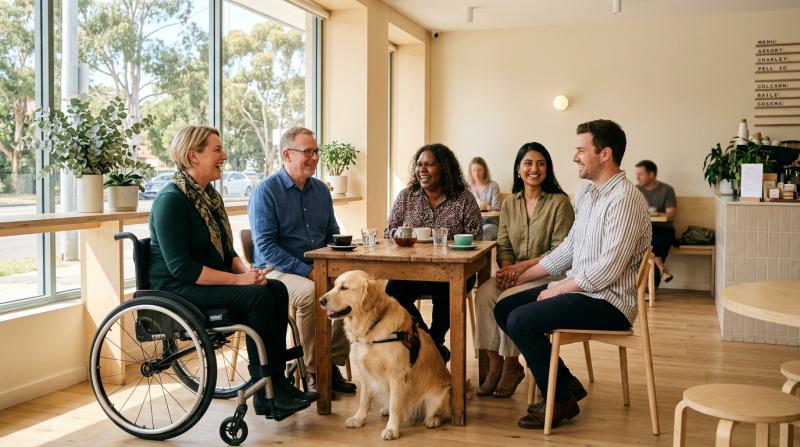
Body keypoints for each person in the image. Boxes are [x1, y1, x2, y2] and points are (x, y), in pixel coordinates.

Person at [494, 119, 651, 430]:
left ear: (604, 154)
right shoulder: (588, 193)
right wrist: (522, 276)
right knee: (505, 308)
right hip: (584, 293)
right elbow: (567, 250)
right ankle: (566, 384)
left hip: (610, 303)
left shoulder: (625, 199)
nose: (574, 156)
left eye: (581, 149)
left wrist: (560, 289)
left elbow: (609, 267)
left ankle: (561, 400)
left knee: (521, 321)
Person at [148, 125, 314, 420]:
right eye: (217, 150)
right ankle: (265, 392)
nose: (224, 156)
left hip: (204, 281)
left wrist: (251, 272)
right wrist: (240, 280)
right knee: (257, 298)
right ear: (193, 156)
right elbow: (182, 268)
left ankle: (277, 383)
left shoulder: (209, 198)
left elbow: (227, 252)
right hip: (178, 288)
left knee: (275, 288)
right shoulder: (171, 201)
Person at [249, 127, 355, 395]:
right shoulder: (266, 191)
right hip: (275, 270)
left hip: (315, 267)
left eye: (316, 152)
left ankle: (330, 363)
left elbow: (332, 234)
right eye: (308, 152)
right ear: (287, 154)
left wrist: (344, 259)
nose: (315, 157)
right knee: (311, 293)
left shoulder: (321, 191)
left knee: (351, 289)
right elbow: (266, 247)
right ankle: (314, 371)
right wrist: (308, 272)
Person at [474, 143, 574, 398]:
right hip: (515, 273)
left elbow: (560, 252)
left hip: (551, 274)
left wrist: (519, 271)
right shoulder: (509, 204)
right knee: (484, 294)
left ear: (548, 169)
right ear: (518, 169)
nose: (534, 169)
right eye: (528, 163)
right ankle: (495, 362)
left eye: (541, 163)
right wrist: (508, 270)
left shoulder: (559, 203)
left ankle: (511, 365)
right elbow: (504, 245)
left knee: (509, 300)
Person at [384, 143, 482, 361]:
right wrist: (403, 237)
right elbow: (388, 231)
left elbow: (476, 238)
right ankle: (431, 344)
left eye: (429, 165)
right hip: (412, 270)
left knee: (448, 290)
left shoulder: (463, 198)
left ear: (444, 168)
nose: (422, 170)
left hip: (453, 271)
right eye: (419, 165)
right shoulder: (407, 196)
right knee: (391, 292)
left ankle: (433, 342)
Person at [635, 160, 677, 286]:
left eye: (640, 174)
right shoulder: (635, 190)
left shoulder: (667, 190)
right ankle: (662, 270)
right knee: (649, 244)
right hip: (644, 229)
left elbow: (671, 215)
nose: (637, 177)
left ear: (651, 174)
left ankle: (649, 287)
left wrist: (654, 215)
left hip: (664, 229)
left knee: (654, 245)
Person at [468, 157, 502, 240]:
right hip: (472, 224)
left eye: (479, 170)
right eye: (474, 170)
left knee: (483, 232)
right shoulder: (467, 187)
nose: (476, 174)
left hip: (490, 222)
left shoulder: (493, 185)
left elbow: (497, 208)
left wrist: (485, 207)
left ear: (485, 171)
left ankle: (482, 253)